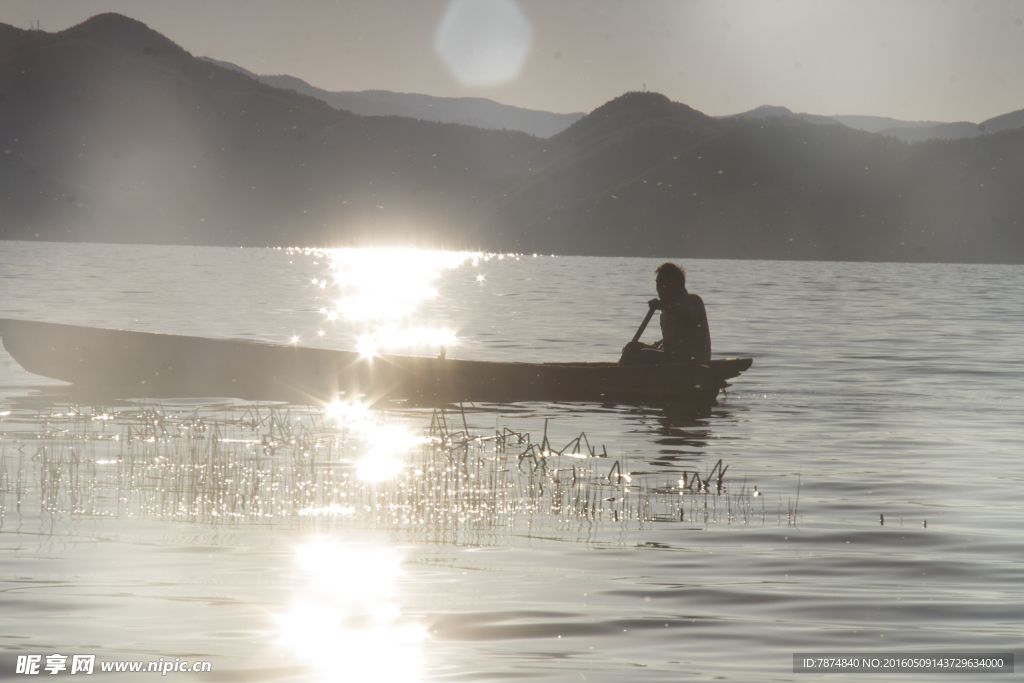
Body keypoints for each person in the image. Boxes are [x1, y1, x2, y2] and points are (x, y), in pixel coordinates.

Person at [619, 263, 711, 365]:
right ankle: (620, 374)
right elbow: (672, 338)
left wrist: (665, 307)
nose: (658, 288)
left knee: (644, 355)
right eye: (657, 284)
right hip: (672, 356)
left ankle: (631, 378)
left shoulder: (693, 301)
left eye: (662, 284)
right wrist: (655, 345)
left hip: (692, 360)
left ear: (674, 284)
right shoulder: (666, 308)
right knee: (632, 347)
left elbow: (690, 317)